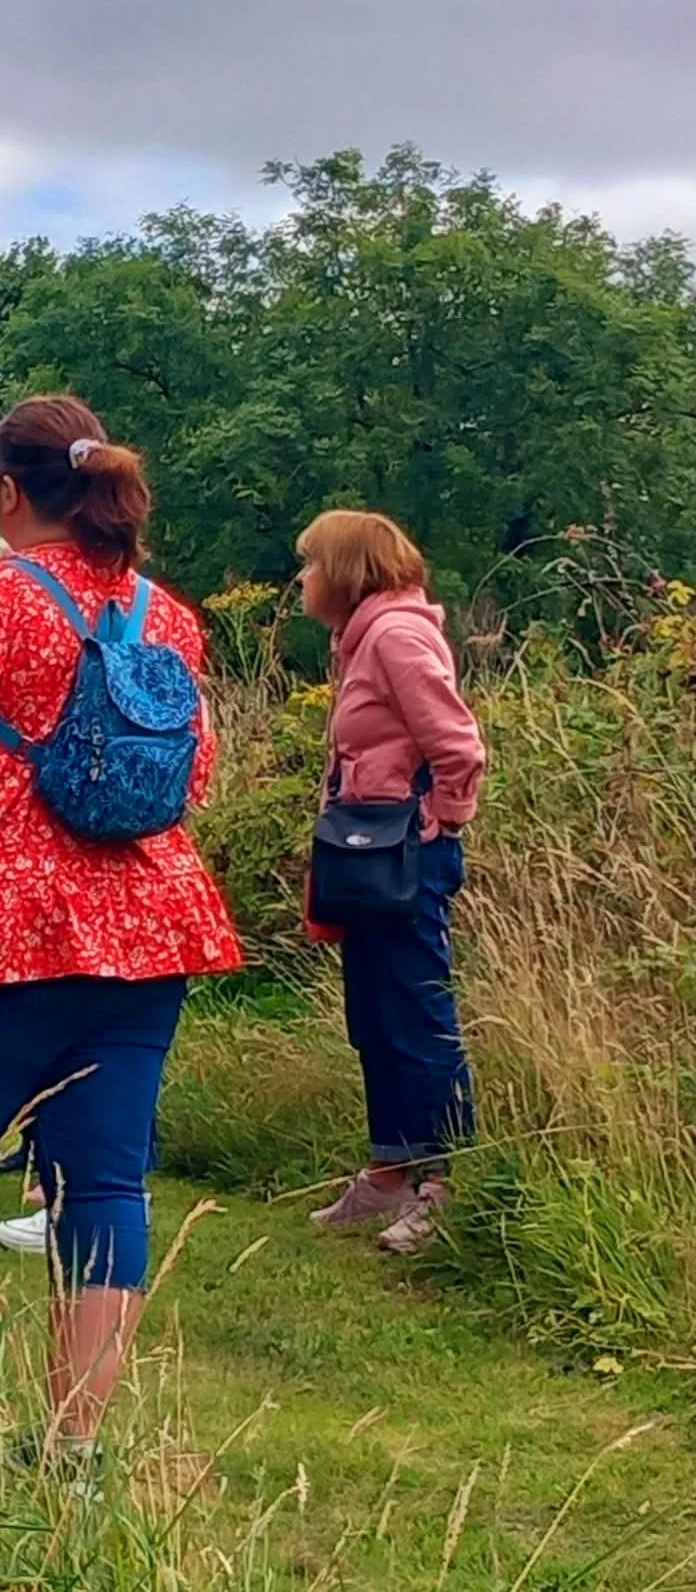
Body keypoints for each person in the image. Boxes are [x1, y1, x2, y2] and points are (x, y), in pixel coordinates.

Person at [0, 395, 242, 1465]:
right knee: (100, 1184)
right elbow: (186, 770)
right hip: (143, 929)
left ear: (7, 494)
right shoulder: (164, 612)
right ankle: (70, 1449)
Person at [298, 510, 485, 1254]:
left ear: (346, 572)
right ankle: (389, 1170)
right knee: (375, 1013)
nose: (303, 580)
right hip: (367, 853)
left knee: (416, 1014)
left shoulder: (399, 636)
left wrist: (438, 819)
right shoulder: (364, 638)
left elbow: (459, 745)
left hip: (404, 855)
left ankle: (446, 1183)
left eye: (310, 565)